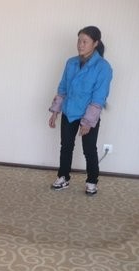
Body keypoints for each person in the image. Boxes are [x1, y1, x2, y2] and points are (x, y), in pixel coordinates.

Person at [48, 26, 112, 196]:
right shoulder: (71, 62)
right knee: (66, 146)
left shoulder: (103, 67)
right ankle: (63, 177)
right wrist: (55, 111)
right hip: (69, 112)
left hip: (88, 114)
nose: (80, 45)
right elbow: (63, 87)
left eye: (85, 41)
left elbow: (99, 97)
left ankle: (92, 181)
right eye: (79, 41)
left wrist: (88, 122)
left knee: (89, 149)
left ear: (95, 43)